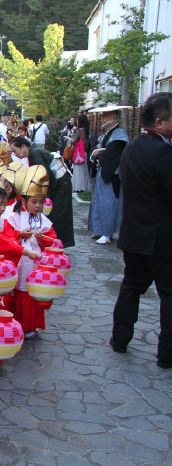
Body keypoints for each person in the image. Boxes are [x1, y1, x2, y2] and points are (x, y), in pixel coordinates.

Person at [111, 93, 172, 369]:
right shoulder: (162, 153)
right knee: (168, 295)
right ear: (159, 123)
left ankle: (119, 339)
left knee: (131, 288)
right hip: (161, 237)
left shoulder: (132, 148)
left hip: (134, 232)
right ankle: (167, 354)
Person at [3, 165, 58, 338]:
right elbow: (7, 237)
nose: (38, 206)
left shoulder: (43, 220)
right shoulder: (12, 216)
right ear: (24, 200)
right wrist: (21, 235)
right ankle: (16, 323)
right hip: (19, 262)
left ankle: (31, 325)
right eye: (34, 201)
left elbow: (52, 239)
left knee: (33, 294)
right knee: (18, 293)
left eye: (41, 202)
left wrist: (45, 242)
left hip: (35, 263)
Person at [0, 186, 40, 315]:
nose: (3, 209)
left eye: (4, 204)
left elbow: (8, 233)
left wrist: (19, 234)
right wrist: (25, 251)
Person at [10, 136, 75, 248]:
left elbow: (43, 176)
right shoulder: (34, 152)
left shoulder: (35, 153)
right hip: (60, 183)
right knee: (58, 213)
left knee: (58, 214)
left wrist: (44, 196)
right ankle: (56, 242)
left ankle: (55, 243)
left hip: (61, 184)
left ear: (24, 146)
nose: (16, 155)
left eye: (16, 151)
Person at [88, 106, 129, 245]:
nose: (103, 118)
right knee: (99, 201)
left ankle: (107, 233)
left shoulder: (119, 134)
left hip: (112, 174)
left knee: (109, 202)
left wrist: (101, 152)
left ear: (114, 117)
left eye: (106, 115)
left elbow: (115, 151)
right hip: (102, 171)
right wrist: (95, 154)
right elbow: (95, 150)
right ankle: (100, 230)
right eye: (104, 115)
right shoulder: (104, 135)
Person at [70, 114, 91, 192]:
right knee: (84, 170)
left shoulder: (80, 130)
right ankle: (84, 186)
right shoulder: (87, 129)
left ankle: (78, 187)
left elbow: (74, 141)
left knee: (78, 170)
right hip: (84, 151)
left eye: (77, 120)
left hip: (79, 152)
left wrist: (71, 138)